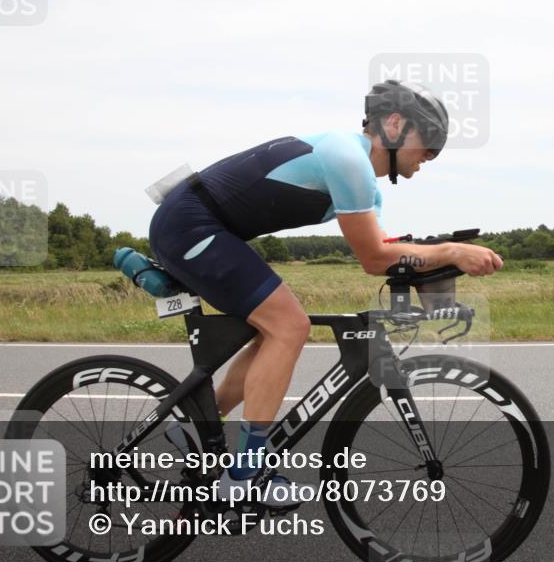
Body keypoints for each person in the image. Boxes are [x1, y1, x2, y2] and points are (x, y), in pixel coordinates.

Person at [148, 80, 503, 505]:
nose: (430, 158)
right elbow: (373, 258)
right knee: (288, 327)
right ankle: (244, 476)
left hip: (204, 226)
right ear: (394, 125)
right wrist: (450, 251)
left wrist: (443, 263)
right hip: (190, 226)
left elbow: (388, 252)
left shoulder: (365, 183)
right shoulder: (345, 156)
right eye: (429, 146)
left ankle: (196, 427)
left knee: (269, 332)